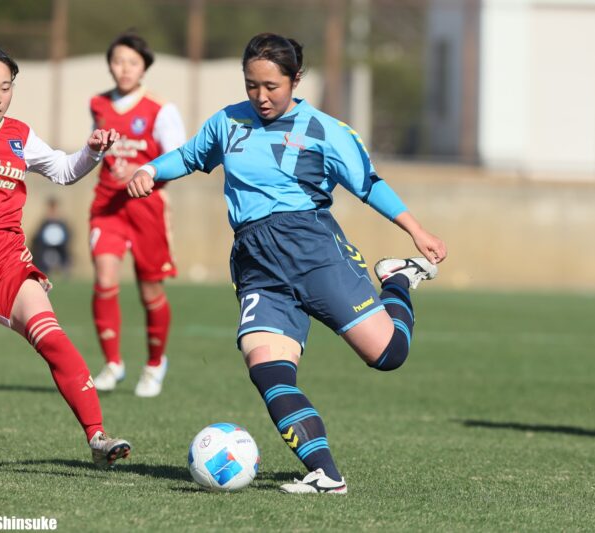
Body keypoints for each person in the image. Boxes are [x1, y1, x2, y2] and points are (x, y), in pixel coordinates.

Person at [128, 33, 447, 493]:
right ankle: (325, 474)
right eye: (251, 85)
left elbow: (368, 183)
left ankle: (396, 278)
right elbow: (191, 155)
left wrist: (416, 230)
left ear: (296, 80)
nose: (260, 97)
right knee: (266, 367)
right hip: (255, 259)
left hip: (313, 249)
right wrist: (151, 171)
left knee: (389, 355)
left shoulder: (324, 130)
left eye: (272, 86)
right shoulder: (227, 123)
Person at [0, 44, 132, 468]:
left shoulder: (18, 133)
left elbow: (61, 169)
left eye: (6, 87)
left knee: (49, 332)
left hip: (5, 256)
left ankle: (97, 436)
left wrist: (92, 151)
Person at [88, 32, 186, 398]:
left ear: (144, 65)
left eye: (131, 62)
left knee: (150, 291)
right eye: (117, 61)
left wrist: (143, 171)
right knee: (104, 278)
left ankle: (154, 364)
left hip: (147, 209)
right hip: (107, 207)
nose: (123, 69)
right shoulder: (97, 103)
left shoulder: (161, 109)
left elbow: (178, 159)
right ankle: (112, 363)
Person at [30, 196, 72, 276]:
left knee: (65, 252)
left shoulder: (62, 223)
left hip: (60, 246)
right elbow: (38, 236)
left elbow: (68, 235)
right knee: (39, 251)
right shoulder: (44, 222)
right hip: (45, 246)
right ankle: (42, 270)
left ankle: (65, 269)